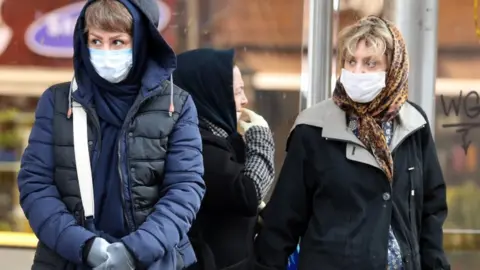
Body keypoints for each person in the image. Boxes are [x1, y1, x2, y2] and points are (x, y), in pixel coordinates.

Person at [17, 0, 204, 269]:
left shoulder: (176, 105)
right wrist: (83, 245)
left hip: (152, 260)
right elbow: (35, 184)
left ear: (140, 43)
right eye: (95, 41)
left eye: (117, 42)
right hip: (69, 259)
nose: (105, 52)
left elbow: (185, 188)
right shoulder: (58, 102)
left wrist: (134, 250)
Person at [254, 16, 450, 270]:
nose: (358, 72)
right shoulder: (313, 128)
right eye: (351, 61)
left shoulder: (413, 124)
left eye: (371, 63)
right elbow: (284, 220)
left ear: (393, 69)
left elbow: (431, 209)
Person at [172, 48, 275, 270]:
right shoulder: (196, 144)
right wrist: (261, 138)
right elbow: (248, 193)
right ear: (212, 94)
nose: (245, 100)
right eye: (237, 92)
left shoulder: (222, 139)